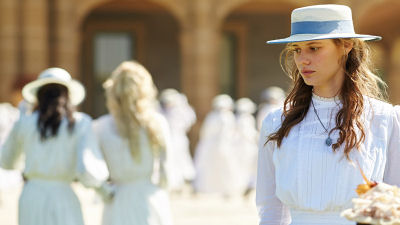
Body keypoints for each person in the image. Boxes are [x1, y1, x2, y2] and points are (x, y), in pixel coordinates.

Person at [256, 4, 400, 225]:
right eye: (297, 49)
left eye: (314, 48)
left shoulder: (384, 118)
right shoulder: (277, 122)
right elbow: (271, 209)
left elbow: (394, 198)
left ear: (346, 46)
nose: (303, 59)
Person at [0, 68, 111, 225]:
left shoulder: (25, 122)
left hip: (32, 197)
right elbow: (87, 170)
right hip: (63, 196)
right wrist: (105, 191)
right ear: (67, 95)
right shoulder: (80, 123)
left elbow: (7, 161)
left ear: (39, 96)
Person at [93, 61, 173, 225]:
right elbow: (167, 172)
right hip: (150, 200)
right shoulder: (157, 123)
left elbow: (92, 171)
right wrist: (159, 190)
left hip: (117, 202)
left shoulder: (100, 127)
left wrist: (105, 192)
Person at [193, 94, 240, 196]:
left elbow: (204, 133)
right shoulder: (226, 117)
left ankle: (221, 189)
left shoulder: (212, 116)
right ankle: (227, 189)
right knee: (226, 168)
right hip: (223, 146)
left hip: (213, 146)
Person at [159, 89, 196, 192]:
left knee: (181, 160)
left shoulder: (180, 111)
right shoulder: (162, 111)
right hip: (167, 140)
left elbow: (188, 121)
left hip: (178, 140)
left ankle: (181, 183)